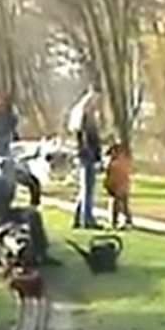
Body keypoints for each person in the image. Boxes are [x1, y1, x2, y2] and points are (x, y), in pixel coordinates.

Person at [0, 156, 60, 273]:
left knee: (33, 214)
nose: (10, 173)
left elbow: (33, 182)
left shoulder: (12, 179)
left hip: (7, 212)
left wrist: (34, 201)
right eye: (8, 169)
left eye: (11, 169)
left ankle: (42, 253)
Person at [68, 88, 103, 229]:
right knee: (88, 188)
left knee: (85, 187)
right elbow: (90, 139)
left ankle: (78, 217)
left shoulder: (80, 116)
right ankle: (87, 219)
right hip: (87, 155)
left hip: (84, 155)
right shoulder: (86, 117)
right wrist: (95, 154)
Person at [104, 142, 133, 229]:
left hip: (120, 185)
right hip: (117, 185)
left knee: (120, 203)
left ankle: (123, 220)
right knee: (119, 203)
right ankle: (118, 220)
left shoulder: (115, 163)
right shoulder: (114, 162)